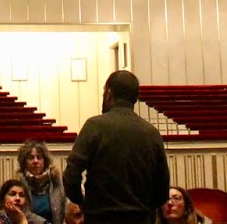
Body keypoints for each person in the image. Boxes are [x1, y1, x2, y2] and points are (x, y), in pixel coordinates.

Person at [65, 70, 170, 224]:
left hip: (100, 217)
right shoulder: (152, 133)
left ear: (109, 94)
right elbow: (162, 188)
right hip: (141, 218)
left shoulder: (94, 126)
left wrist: (81, 201)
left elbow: (71, 174)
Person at [17, 141, 66, 224]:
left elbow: (67, 209)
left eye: (39, 157)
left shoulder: (57, 181)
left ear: (45, 161)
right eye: (31, 158)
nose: (35, 161)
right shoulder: (19, 184)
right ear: (24, 162)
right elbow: (23, 213)